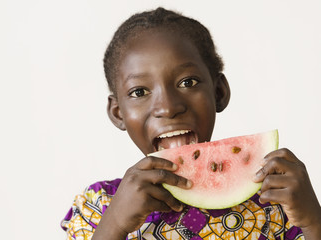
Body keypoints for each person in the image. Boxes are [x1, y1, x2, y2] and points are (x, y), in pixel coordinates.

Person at [61, 7, 321, 239]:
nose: (168, 107)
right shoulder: (98, 207)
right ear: (118, 113)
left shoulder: (276, 202)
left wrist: (313, 223)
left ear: (218, 93)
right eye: (139, 92)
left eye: (188, 82)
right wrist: (114, 227)